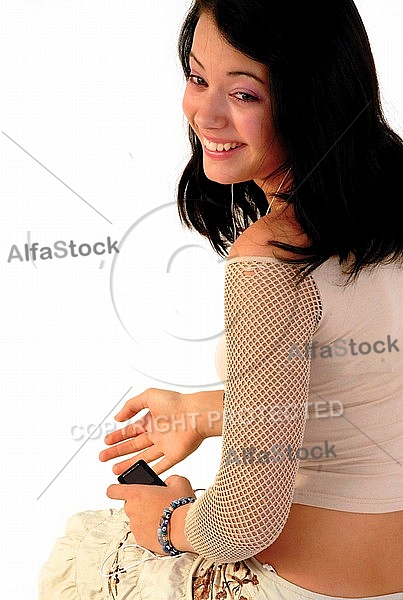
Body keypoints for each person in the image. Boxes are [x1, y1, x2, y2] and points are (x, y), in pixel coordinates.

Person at [39, 0, 403, 598]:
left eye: (244, 94)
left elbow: (242, 523)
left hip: (296, 585)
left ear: (312, 97)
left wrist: (166, 519)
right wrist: (199, 411)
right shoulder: (386, 205)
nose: (205, 114)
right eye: (197, 77)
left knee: (81, 553)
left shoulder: (272, 258)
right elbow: (364, 386)